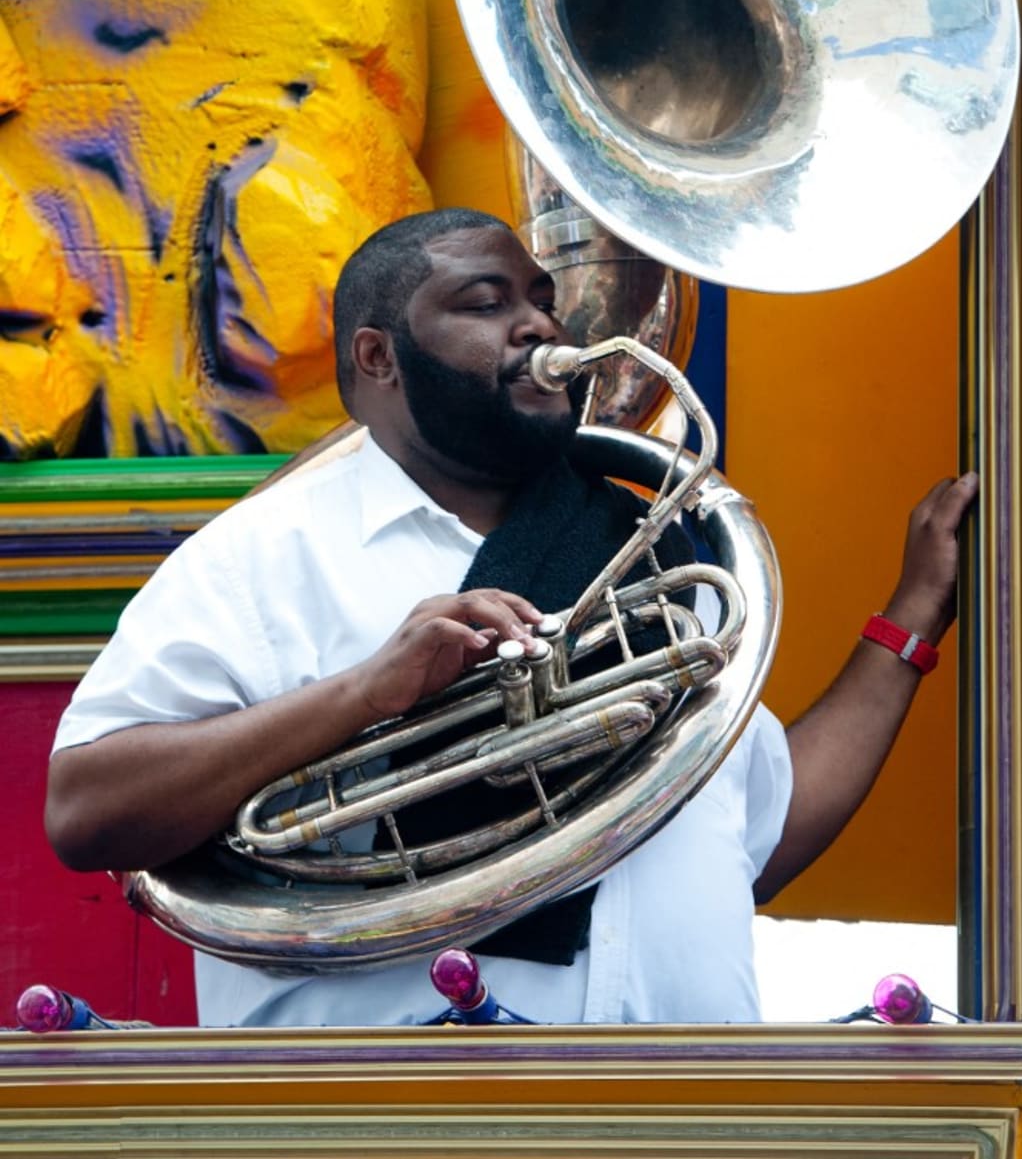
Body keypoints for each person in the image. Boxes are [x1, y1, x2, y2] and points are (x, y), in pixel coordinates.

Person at [45, 207, 975, 1027]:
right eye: (484, 302)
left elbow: (752, 836)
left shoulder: (648, 548)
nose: (536, 321)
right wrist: (366, 693)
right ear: (379, 358)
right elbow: (87, 809)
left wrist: (911, 616)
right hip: (390, 1125)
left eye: (542, 297)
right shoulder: (266, 556)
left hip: (683, 1110)